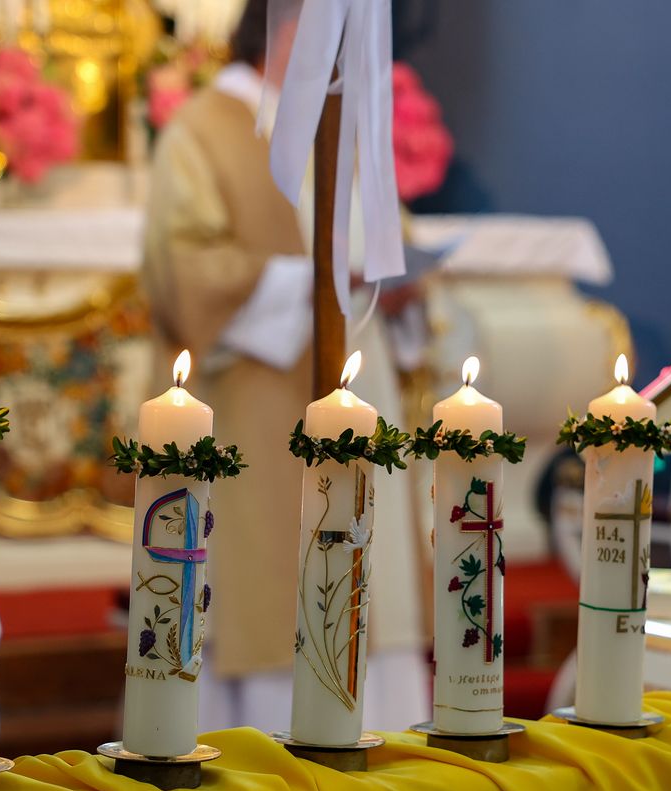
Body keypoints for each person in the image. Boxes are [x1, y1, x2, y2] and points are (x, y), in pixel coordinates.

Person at [141, 0, 429, 733]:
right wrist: (314, 282)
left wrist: (397, 288)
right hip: (260, 412)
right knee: (274, 603)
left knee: (374, 606)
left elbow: (390, 243)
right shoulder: (206, 129)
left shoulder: (349, 123)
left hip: (365, 400)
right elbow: (187, 272)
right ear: (291, 28)